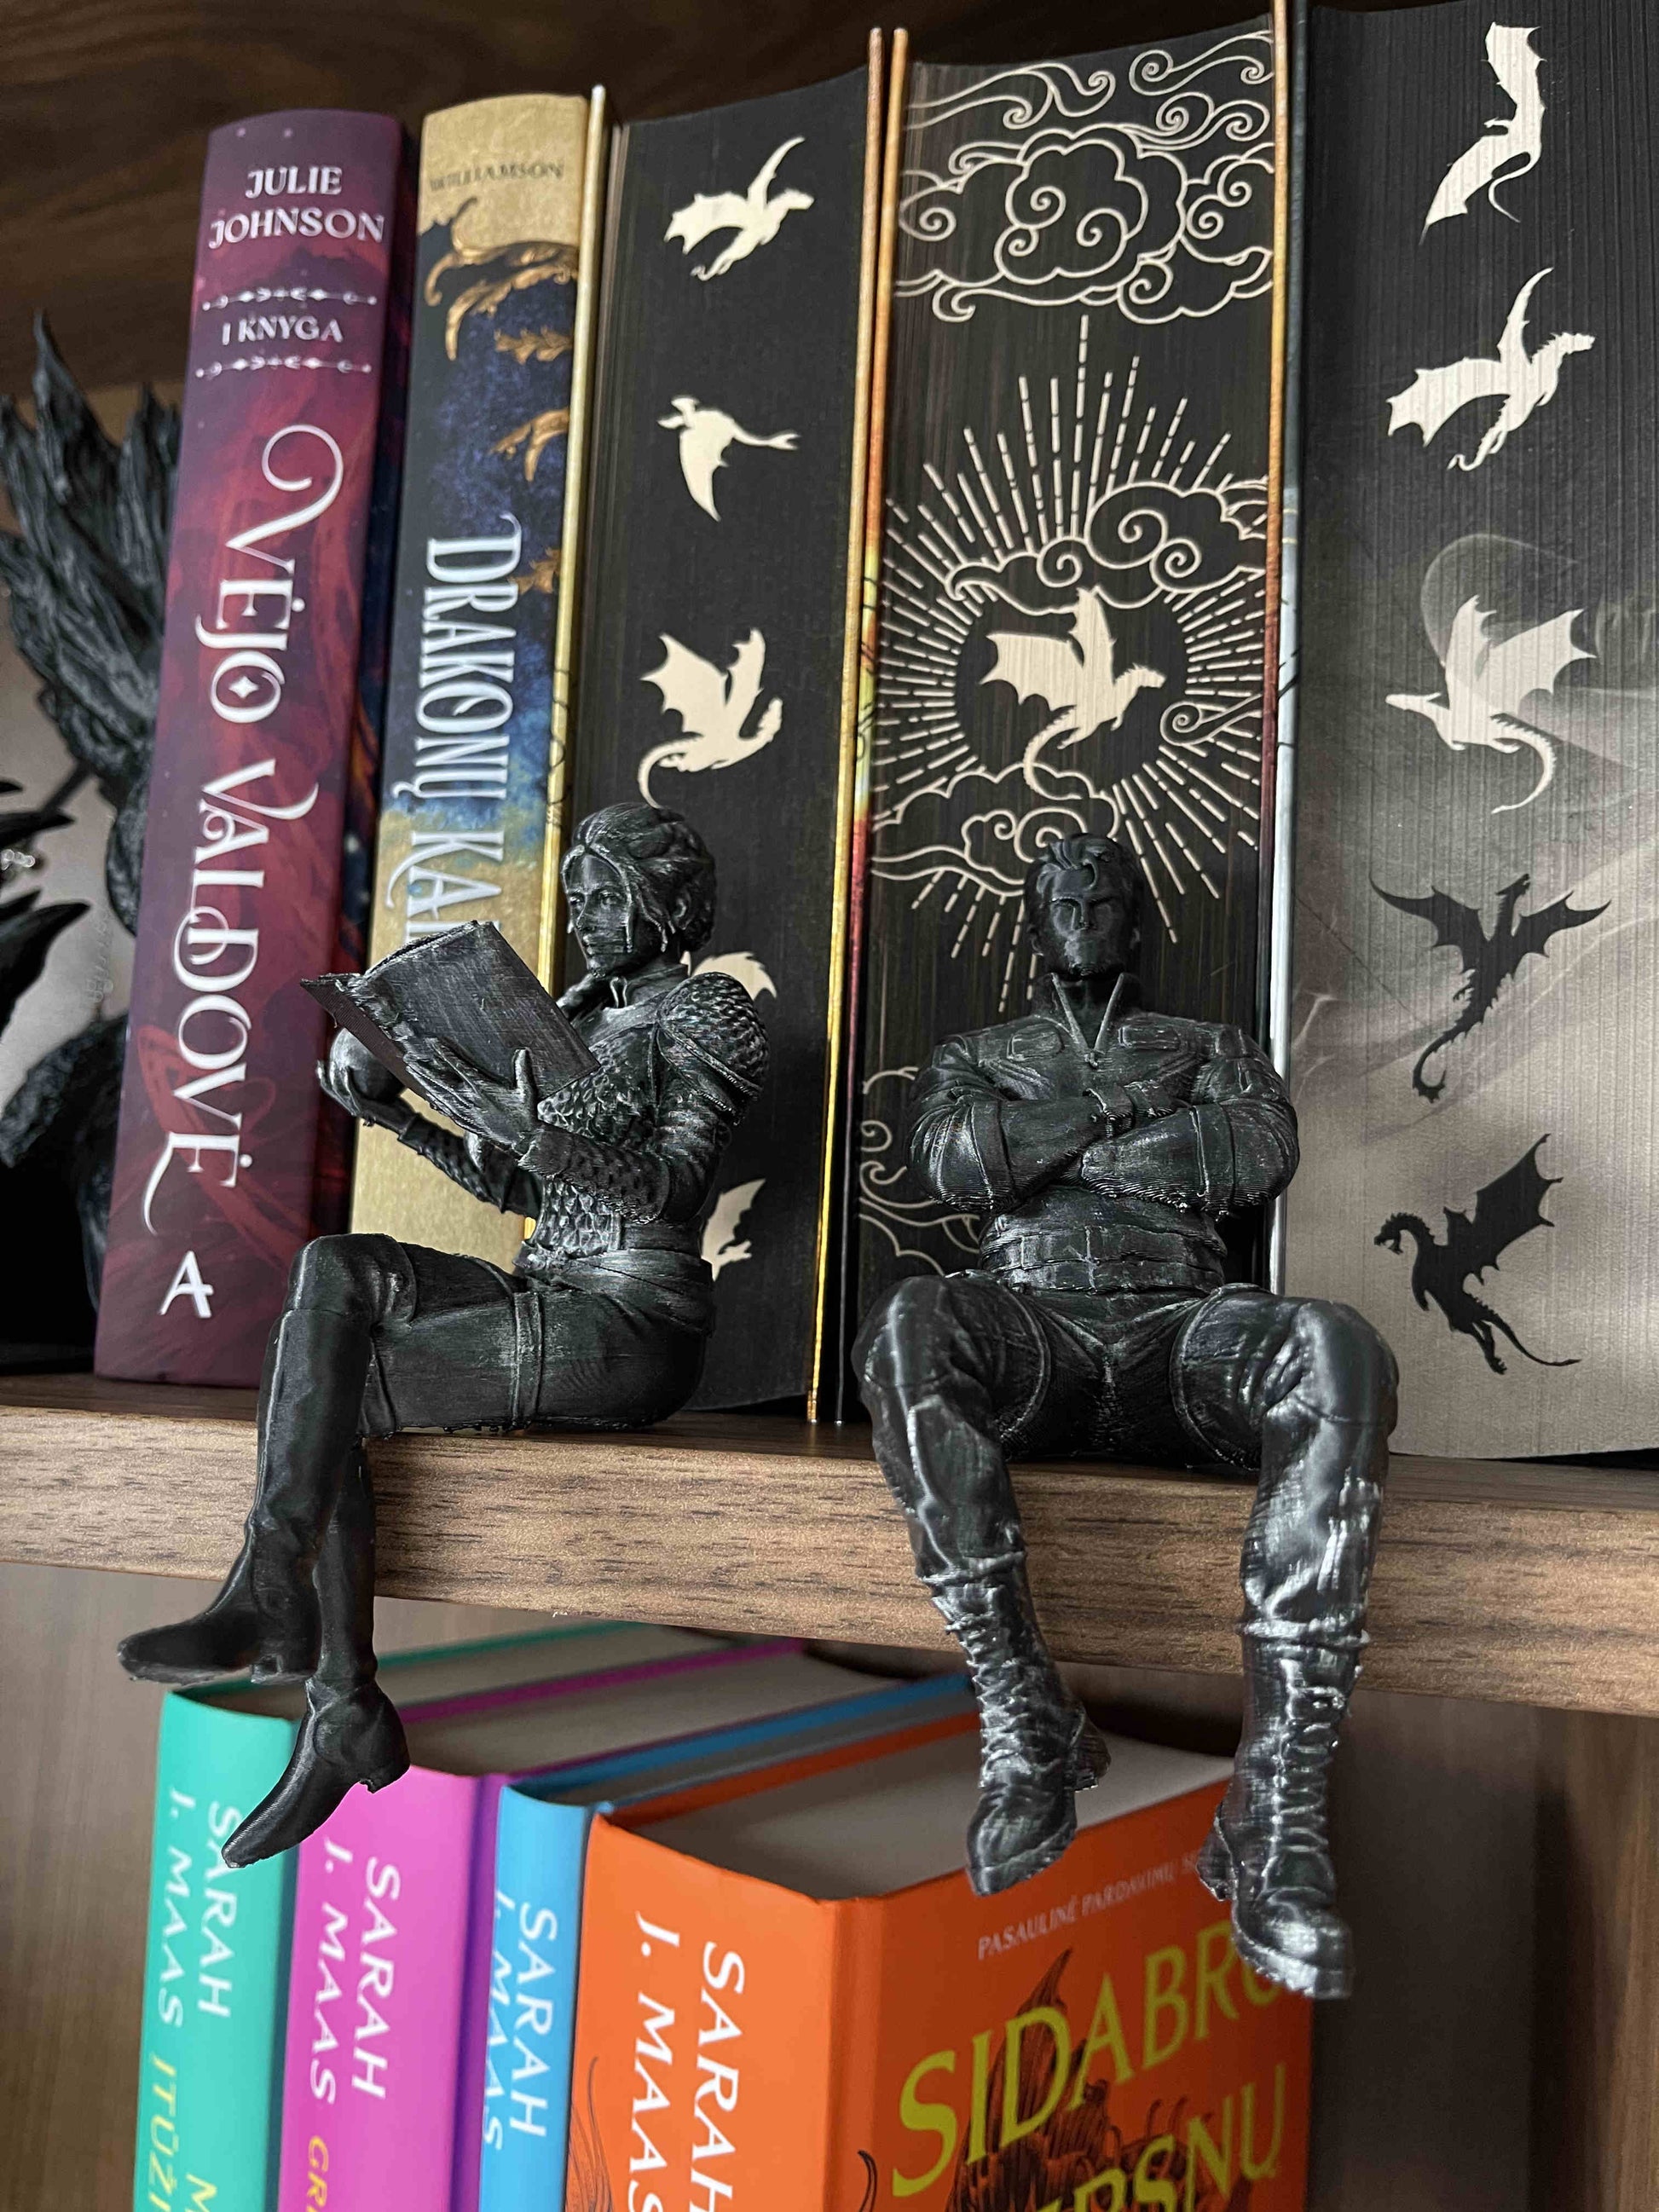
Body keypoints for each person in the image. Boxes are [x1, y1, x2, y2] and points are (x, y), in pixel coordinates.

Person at [119, 803, 768, 1864]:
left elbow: (673, 1186)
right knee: (336, 1266)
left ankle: (334, 1685)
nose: (585, 919)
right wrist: (398, 1115)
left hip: (631, 1318)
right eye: (577, 899)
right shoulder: (576, 1014)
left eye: (605, 897)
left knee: (332, 1387)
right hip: (548, 1284)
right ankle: (283, 1604)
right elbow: (518, 1190)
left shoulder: (708, 1012)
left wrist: (538, 1140)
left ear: (668, 904)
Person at [854, 831, 1396, 2000]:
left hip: (1180, 1331)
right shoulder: (975, 1052)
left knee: (1335, 1344)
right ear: (1033, 924)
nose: (1085, 915)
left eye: (1104, 899)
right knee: (909, 1322)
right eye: (1063, 901)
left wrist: (1055, 1146)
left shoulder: (1208, 1044)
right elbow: (959, 1165)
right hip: (1032, 1329)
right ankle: (1021, 1709)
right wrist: (1122, 1111)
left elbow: (1252, 1153)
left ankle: (1275, 1802)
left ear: (1134, 920)